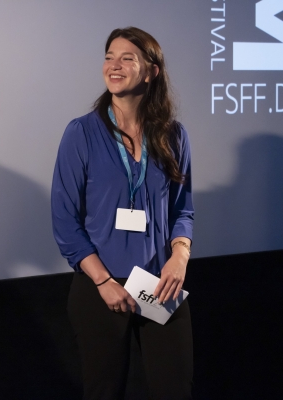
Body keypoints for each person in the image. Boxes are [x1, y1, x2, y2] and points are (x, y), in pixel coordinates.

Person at [51, 27, 193, 399]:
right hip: (101, 287)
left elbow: (183, 209)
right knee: (104, 392)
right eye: (109, 56)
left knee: (174, 390)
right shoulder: (81, 133)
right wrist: (102, 281)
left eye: (127, 58)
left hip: (158, 285)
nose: (114, 65)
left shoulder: (173, 135)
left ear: (151, 71)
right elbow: (65, 220)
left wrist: (179, 256)